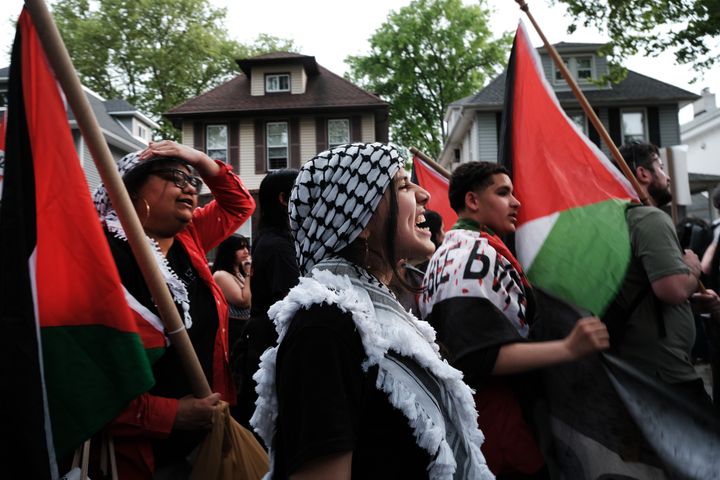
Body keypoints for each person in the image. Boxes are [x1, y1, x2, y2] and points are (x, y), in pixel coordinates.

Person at [251, 143, 494, 479]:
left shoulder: (377, 314)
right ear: (359, 220)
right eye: (403, 185)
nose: (423, 194)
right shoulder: (323, 325)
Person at [418, 161, 609, 478]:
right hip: (496, 428)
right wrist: (568, 347)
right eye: (503, 192)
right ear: (473, 201)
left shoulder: (451, 249)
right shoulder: (469, 254)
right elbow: (480, 355)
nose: (516, 202)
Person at [93, 140, 255, 479]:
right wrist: (171, 414)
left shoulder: (188, 237)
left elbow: (239, 204)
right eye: (172, 176)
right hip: (139, 455)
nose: (188, 188)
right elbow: (84, 377)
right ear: (130, 190)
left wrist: (195, 157)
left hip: (202, 440)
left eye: (191, 180)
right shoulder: (101, 257)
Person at [234, 168, 300, 430]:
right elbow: (293, 302)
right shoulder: (278, 247)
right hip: (271, 349)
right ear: (284, 199)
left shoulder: (271, 240)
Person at [212, 234, 252, 346]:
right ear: (229, 251)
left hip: (245, 327)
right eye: (240, 248)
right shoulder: (221, 275)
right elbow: (244, 301)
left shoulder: (241, 274)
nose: (246, 251)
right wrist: (248, 273)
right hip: (233, 329)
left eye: (246, 247)